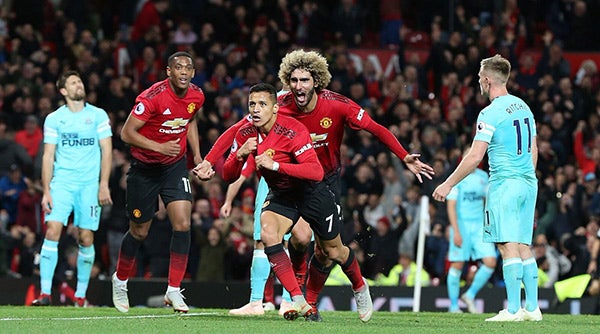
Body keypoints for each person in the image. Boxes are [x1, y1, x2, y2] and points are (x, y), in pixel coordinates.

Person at [275, 49, 434, 321]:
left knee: (327, 251)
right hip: (294, 179)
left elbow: (376, 128)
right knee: (300, 238)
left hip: (326, 181)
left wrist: (404, 155)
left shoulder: (337, 105)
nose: (299, 86)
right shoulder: (279, 105)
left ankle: (324, 299)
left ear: (317, 82)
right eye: (294, 80)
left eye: (305, 80)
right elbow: (247, 126)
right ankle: (298, 298)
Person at [433, 54, 542, 322]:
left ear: (487, 80)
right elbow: (533, 148)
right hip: (528, 182)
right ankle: (533, 308)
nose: (478, 81)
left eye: (479, 77)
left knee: (507, 245)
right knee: (523, 245)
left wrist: (448, 183)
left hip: (505, 183)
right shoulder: (523, 106)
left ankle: (514, 310)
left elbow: (474, 156)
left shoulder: (489, 113)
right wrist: (527, 176)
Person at [222, 82, 326, 321]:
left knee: (302, 241)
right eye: (252, 104)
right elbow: (234, 173)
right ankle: (258, 301)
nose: (255, 109)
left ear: (275, 107)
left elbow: (313, 169)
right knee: (264, 239)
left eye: (261, 104)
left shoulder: (292, 127)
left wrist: (278, 165)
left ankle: (291, 300)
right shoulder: (248, 133)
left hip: (301, 188)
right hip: (271, 189)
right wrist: (238, 155)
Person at [111, 51, 205, 313]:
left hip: (174, 167)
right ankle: (120, 280)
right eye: (178, 67)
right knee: (140, 232)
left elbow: (191, 120)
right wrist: (159, 146)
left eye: (188, 67)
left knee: (183, 223)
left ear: (193, 73)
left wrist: (196, 154)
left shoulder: (197, 96)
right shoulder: (152, 97)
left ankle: (173, 290)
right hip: (144, 170)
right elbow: (126, 132)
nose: (184, 72)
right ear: (169, 72)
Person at [32, 70, 113, 307]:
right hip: (62, 184)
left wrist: (103, 184)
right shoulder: (55, 119)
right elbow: (48, 156)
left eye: (80, 81)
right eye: (73, 83)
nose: (79, 85)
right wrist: (46, 190)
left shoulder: (98, 115)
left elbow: (106, 150)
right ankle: (45, 293)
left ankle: (80, 295)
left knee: (86, 238)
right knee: (52, 231)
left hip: (89, 185)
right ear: (63, 91)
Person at [445, 147, 497, 313]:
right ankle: (453, 306)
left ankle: (470, 294)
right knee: (458, 264)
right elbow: (451, 206)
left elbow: (488, 202)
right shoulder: (457, 177)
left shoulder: (483, 177)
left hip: (480, 226)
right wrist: (456, 231)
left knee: (491, 261)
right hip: (462, 226)